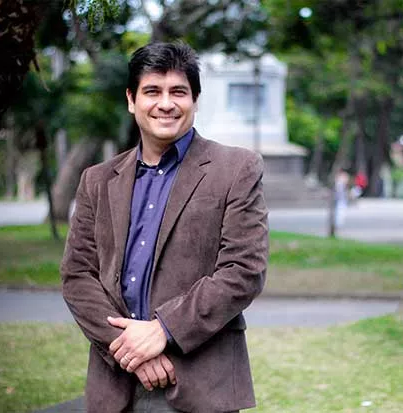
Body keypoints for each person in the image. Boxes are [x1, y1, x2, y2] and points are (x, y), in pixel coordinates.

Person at [60, 42, 268, 413]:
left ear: (195, 100)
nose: (166, 103)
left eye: (178, 92)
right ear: (131, 99)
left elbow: (243, 271)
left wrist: (163, 330)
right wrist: (130, 350)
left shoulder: (236, 169)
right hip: (114, 385)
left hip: (201, 383)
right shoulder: (97, 179)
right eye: (153, 91)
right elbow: (78, 275)